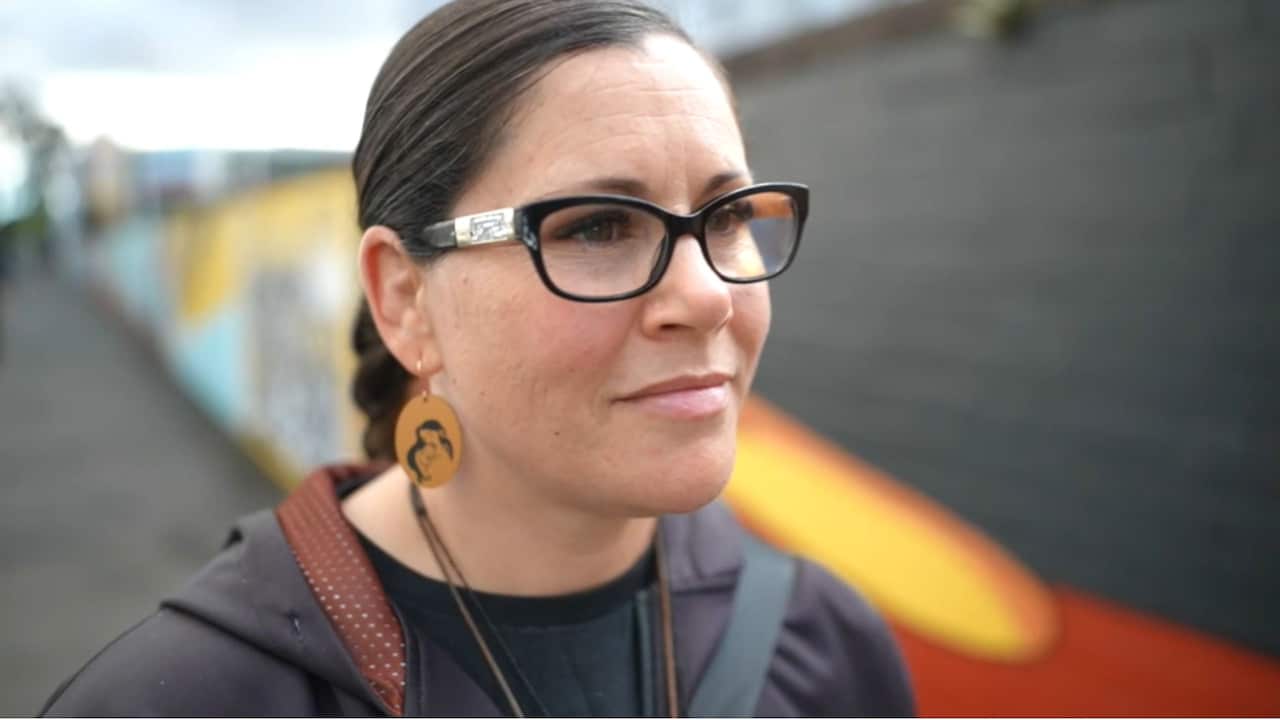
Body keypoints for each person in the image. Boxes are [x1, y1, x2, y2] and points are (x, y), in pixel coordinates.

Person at [42, 0, 915, 716]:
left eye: (727, 217)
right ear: (406, 300)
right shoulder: (185, 699)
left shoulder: (826, 647)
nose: (708, 294)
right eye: (598, 226)